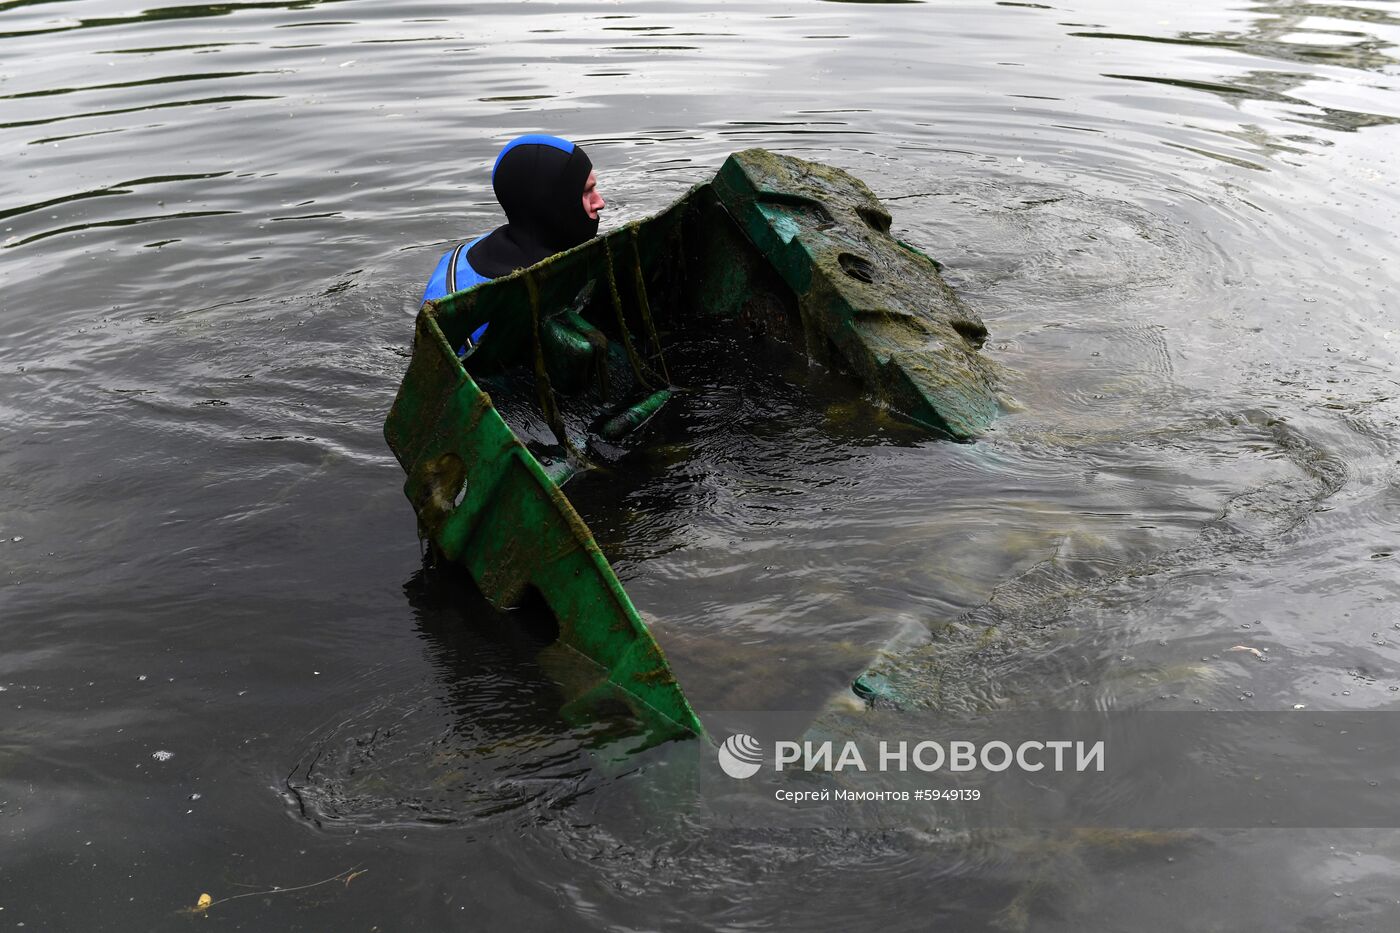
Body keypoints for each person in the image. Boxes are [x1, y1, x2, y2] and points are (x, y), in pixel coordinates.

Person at [420, 134, 605, 348]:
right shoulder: (467, 310)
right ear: (552, 202)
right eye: (586, 192)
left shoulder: (457, 256)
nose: (600, 202)